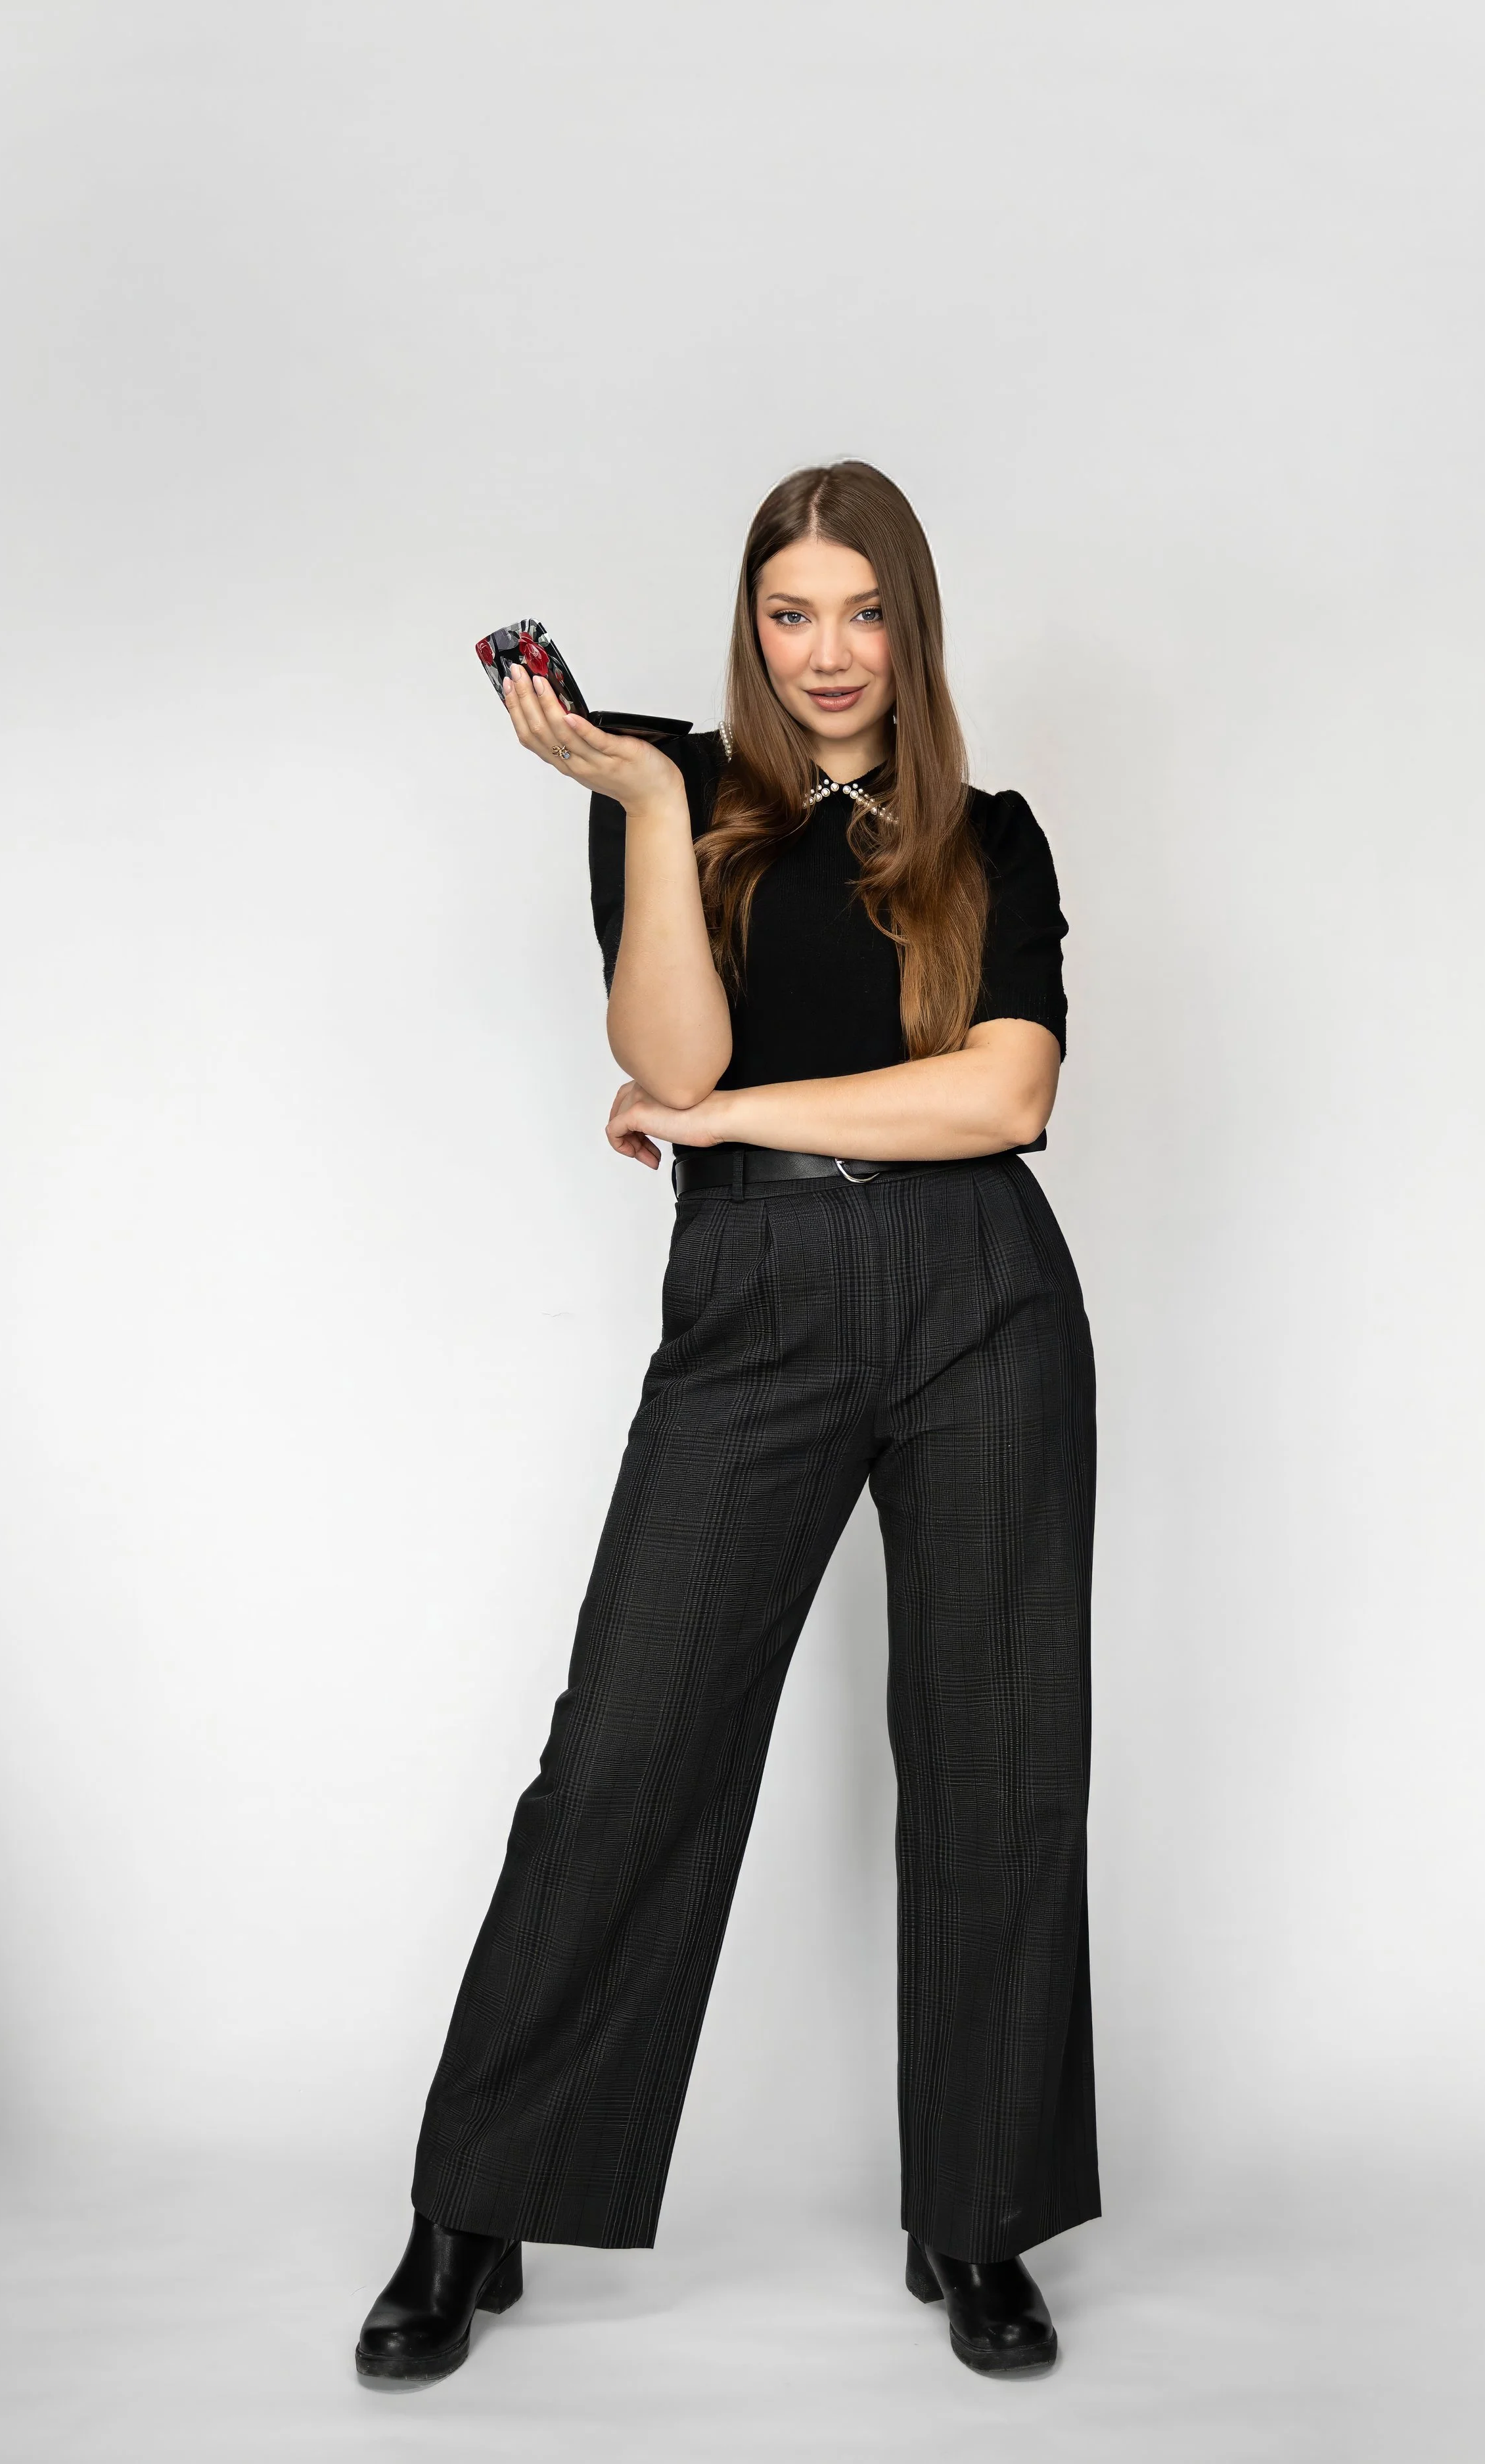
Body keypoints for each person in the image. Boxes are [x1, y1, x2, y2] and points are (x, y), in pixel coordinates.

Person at [355, 461, 1098, 2386]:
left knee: (995, 1761)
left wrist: (744, 1120)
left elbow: (998, 1100)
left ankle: (977, 2217)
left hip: (983, 1305)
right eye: (791, 612)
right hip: (756, 1309)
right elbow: (665, 1056)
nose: (828, 651)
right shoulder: (670, 796)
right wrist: (650, 805)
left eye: (863, 612)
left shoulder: (986, 839)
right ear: (749, 627)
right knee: (624, 1753)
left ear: (909, 630)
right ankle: (473, 2206)